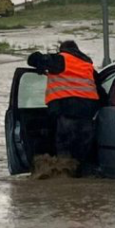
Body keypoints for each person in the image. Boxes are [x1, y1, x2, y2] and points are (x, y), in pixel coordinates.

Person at [27, 40, 100, 173]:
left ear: (62, 50)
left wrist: (41, 64)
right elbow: (100, 90)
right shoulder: (88, 66)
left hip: (66, 111)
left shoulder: (61, 59)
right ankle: (82, 178)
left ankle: (63, 179)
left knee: (64, 152)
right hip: (88, 116)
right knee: (83, 154)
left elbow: (32, 59)